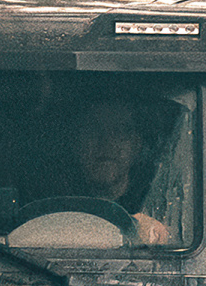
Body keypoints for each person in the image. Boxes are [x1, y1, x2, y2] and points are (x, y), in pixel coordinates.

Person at [62, 98, 177, 244]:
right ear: (76, 143)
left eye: (120, 132)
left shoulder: (160, 204)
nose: (107, 142)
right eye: (94, 130)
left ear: (137, 144)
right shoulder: (56, 207)